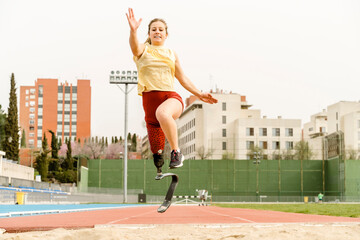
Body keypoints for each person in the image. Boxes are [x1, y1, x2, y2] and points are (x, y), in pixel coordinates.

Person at [126, 8, 218, 177]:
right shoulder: (142, 51)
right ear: (149, 33)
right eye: (154, 29)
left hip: (170, 98)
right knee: (157, 153)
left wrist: (199, 93)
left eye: (161, 29)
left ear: (166, 34)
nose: (157, 32)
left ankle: (176, 152)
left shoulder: (171, 53)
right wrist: (133, 31)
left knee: (163, 113)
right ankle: (160, 161)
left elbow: (182, 78)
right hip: (150, 106)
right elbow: (134, 47)